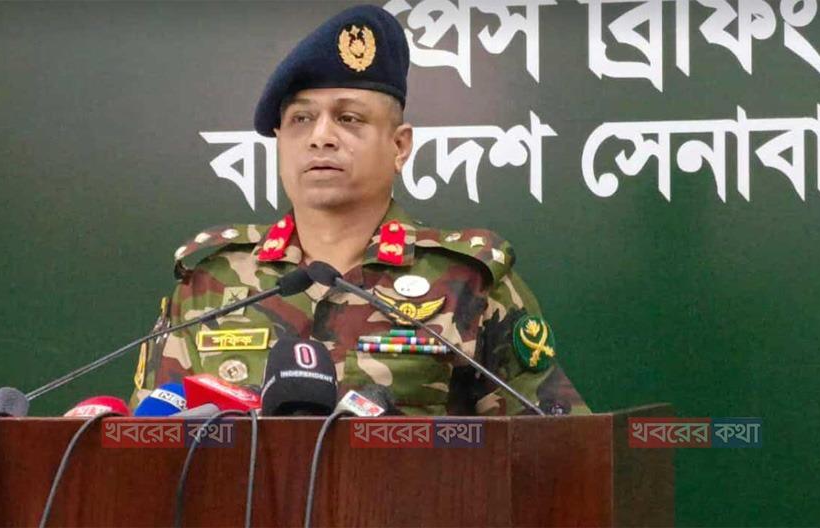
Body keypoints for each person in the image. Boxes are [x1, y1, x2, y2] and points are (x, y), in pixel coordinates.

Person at [130, 4, 589, 416]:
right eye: (301, 119)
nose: (320, 137)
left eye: (348, 119)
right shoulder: (210, 284)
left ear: (399, 146)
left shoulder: (467, 283)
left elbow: (555, 451)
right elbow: (147, 443)